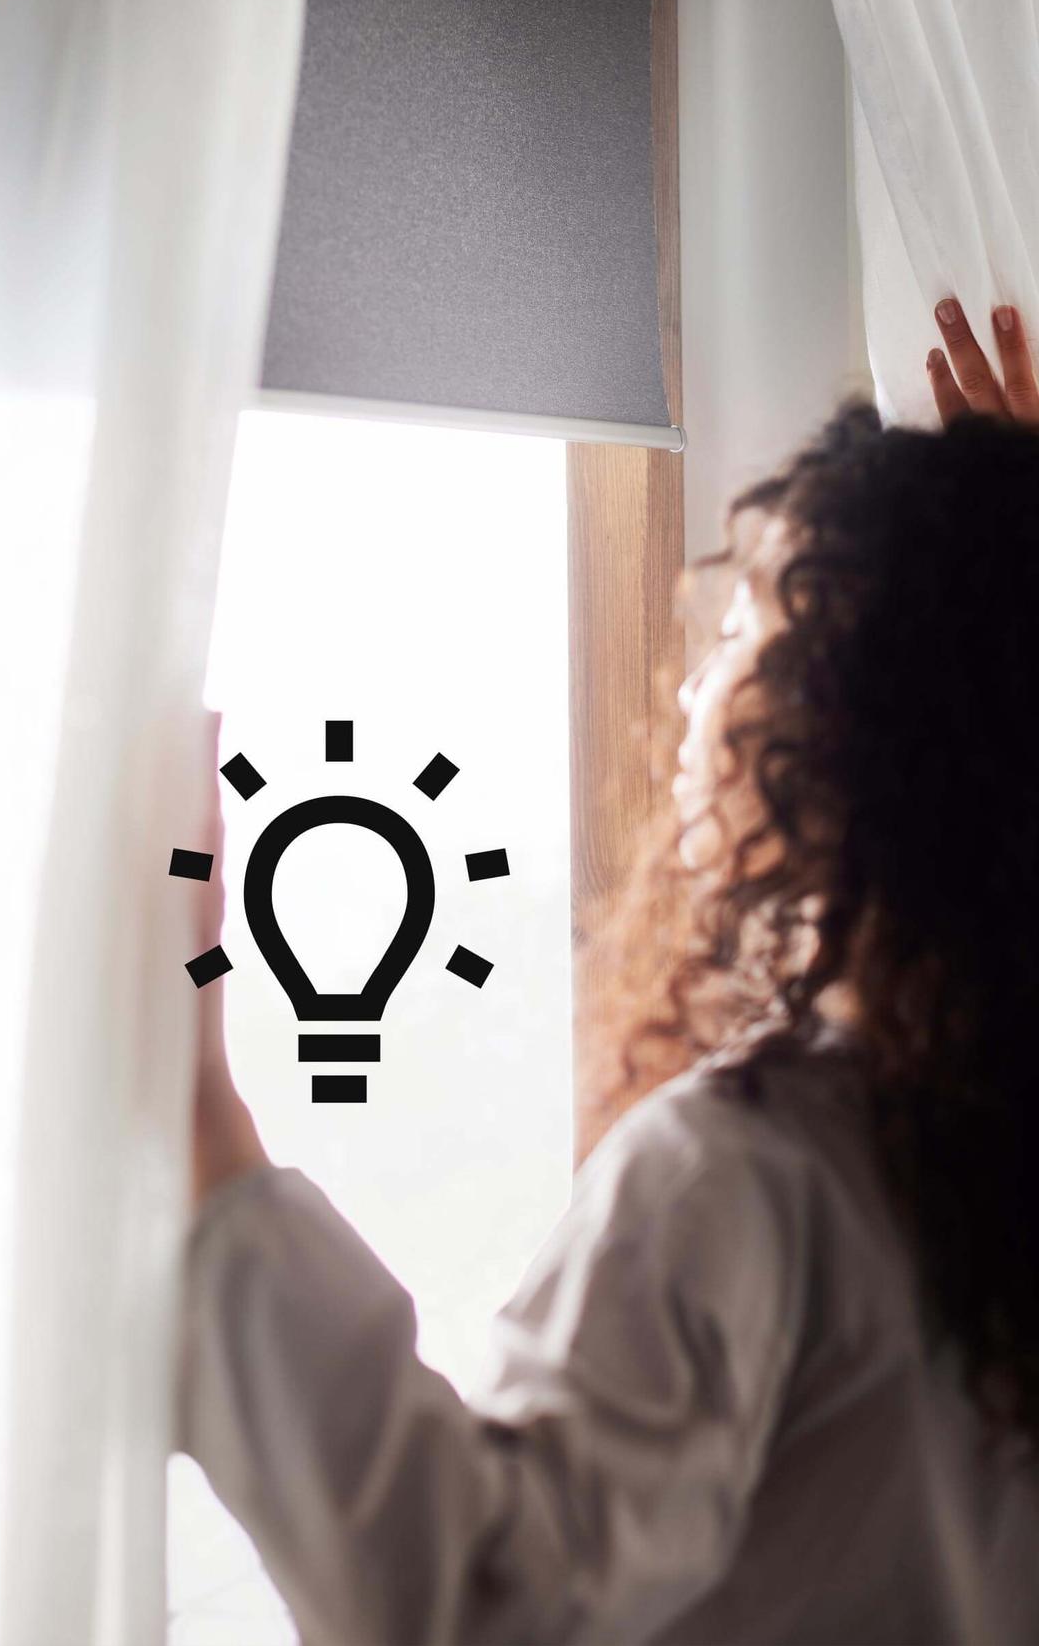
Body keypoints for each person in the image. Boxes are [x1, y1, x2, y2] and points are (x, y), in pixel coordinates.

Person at [172, 297, 1039, 1645]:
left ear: (856, 722)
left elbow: (479, 1599)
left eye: (750, 629)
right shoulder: (979, 1153)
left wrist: (202, 1124)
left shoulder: (748, 1175)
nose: (695, 693)